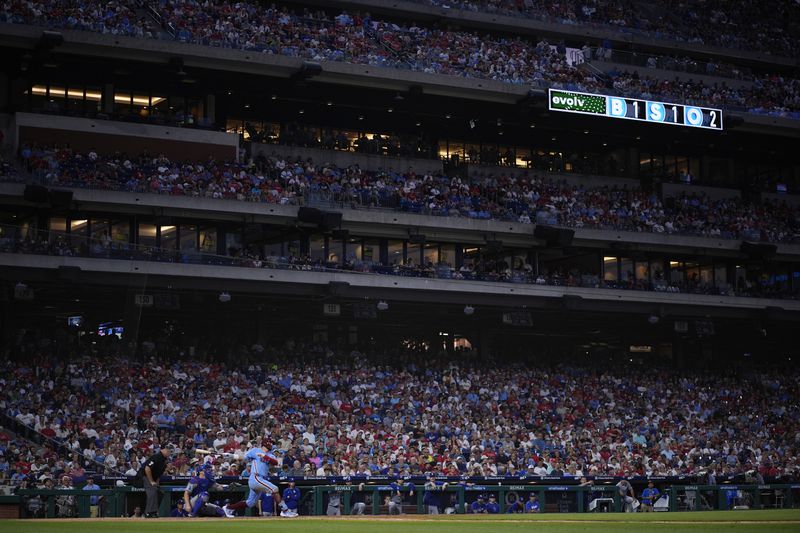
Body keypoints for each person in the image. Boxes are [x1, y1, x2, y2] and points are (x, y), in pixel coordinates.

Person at [223, 439, 294, 517]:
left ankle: (229, 508)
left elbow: (275, 462)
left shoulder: (270, 455)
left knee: (250, 503)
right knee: (275, 489)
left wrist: (265, 456)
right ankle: (285, 510)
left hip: (261, 479)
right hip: (255, 477)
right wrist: (232, 456)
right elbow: (244, 457)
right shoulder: (255, 450)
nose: (271, 445)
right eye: (270, 443)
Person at [136, 444, 174, 518]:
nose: (169, 452)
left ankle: (153, 512)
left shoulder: (164, 460)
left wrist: (156, 482)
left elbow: (158, 473)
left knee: (159, 492)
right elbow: (147, 468)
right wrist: (151, 481)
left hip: (151, 477)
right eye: (168, 450)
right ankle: (148, 512)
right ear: (163, 450)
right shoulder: (157, 457)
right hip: (143, 476)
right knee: (152, 491)